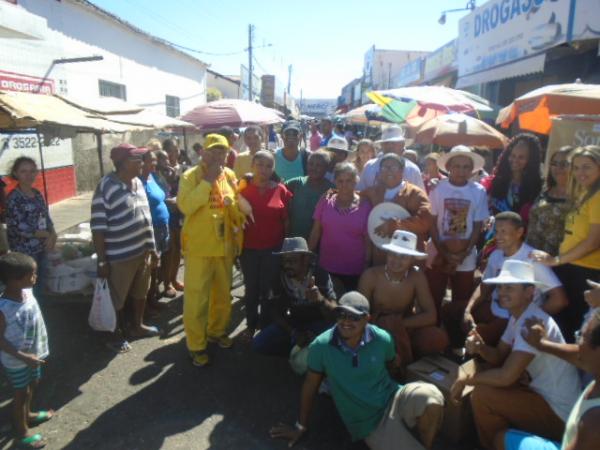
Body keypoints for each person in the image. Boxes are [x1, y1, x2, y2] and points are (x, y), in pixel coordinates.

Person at [269, 291, 445, 450]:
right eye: (341, 314)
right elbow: (310, 386)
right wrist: (300, 427)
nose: (346, 321)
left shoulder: (382, 338)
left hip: (393, 397)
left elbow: (392, 366)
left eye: (354, 317)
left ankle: (424, 444)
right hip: (369, 422)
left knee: (432, 397)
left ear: (367, 319)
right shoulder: (321, 346)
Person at [450, 260, 581, 450]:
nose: (502, 292)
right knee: (486, 379)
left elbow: (506, 376)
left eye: (509, 287)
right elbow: (499, 356)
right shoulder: (519, 316)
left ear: (530, 292)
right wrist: (480, 348)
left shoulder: (531, 320)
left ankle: (493, 444)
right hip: (544, 399)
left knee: (483, 395)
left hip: (559, 413)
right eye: (501, 286)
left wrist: (467, 380)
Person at [443, 212, 567, 349]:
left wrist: (525, 319)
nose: (498, 236)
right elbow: (484, 287)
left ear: (519, 232)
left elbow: (559, 300)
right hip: (494, 309)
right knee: (450, 311)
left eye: (503, 231)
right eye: (496, 231)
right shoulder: (496, 255)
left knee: (477, 336)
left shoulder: (533, 259)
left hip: (512, 319)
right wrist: (468, 309)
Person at [177, 134, 245, 367]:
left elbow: (236, 208)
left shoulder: (231, 176)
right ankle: (196, 345)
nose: (218, 156)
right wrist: (206, 181)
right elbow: (185, 206)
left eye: (223, 151)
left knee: (222, 296)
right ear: (203, 153)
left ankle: (216, 331)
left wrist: (235, 209)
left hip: (224, 247)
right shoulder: (190, 176)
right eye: (214, 151)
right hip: (199, 249)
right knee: (197, 300)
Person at [91, 144, 160, 353]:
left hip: (142, 252)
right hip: (119, 256)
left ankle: (137, 326)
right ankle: (114, 335)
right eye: (137, 160)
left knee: (141, 292)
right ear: (122, 164)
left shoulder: (138, 182)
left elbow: (146, 217)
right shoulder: (106, 187)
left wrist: (152, 247)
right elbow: (98, 227)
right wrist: (102, 260)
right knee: (116, 298)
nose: (142, 163)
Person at [501, 308, 600, 450]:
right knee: (502, 438)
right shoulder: (595, 371)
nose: (578, 344)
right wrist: (542, 344)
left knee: (500, 436)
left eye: (582, 337)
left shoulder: (594, 422)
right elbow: (577, 357)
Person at [531, 145, 600, 343]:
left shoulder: (598, 195)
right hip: (573, 268)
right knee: (564, 327)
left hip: (586, 273)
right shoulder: (585, 193)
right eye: (576, 167)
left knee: (574, 331)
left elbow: (594, 241)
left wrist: (557, 260)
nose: (580, 172)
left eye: (586, 167)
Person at [359, 230, 449, 367]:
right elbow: (359, 315)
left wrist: (398, 324)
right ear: (387, 255)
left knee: (437, 338)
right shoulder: (370, 276)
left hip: (405, 326)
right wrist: (384, 327)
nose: (396, 260)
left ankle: (413, 364)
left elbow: (431, 316)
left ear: (412, 260)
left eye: (403, 257)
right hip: (375, 328)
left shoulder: (416, 277)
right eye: (393, 254)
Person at [426, 146, 489, 319]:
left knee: (461, 299)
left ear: (472, 169)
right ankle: (434, 331)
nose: (461, 171)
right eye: (457, 166)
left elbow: (477, 226)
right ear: (449, 167)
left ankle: (455, 336)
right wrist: (444, 252)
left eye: (466, 167)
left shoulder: (478, 191)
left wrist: (464, 252)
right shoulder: (438, 189)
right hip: (438, 249)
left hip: (465, 253)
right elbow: (431, 223)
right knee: (434, 296)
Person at [0, 253, 52, 450]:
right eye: (31, 275)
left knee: (33, 384)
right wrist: (23, 356)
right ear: (14, 280)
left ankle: (28, 414)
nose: (35, 278)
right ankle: (21, 432)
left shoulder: (27, 293)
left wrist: (33, 354)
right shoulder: (3, 308)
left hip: (34, 355)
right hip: (17, 360)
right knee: (20, 394)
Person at [252, 237, 337, 356]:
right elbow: (274, 310)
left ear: (306, 259)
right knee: (258, 344)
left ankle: (310, 349)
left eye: (292, 261)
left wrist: (320, 300)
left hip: (319, 323)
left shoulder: (319, 274)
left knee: (336, 336)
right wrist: (293, 332)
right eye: (284, 260)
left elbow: (335, 313)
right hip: (294, 323)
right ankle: (301, 348)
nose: (287, 265)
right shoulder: (278, 276)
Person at [239, 151, 292, 337]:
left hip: (274, 249)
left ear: (273, 169)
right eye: (260, 164)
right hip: (248, 249)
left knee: (269, 288)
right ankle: (251, 325)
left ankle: (266, 326)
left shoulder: (281, 190)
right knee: (251, 288)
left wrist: (286, 247)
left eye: (268, 166)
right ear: (252, 165)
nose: (264, 169)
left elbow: (286, 221)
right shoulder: (241, 190)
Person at [309, 162, 371, 293]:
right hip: (327, 267)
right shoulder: (325, 201)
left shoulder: (365, 206)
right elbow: (315, 232)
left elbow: (368, 240)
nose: (344, 185)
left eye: (349, 180)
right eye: (340, 181)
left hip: (354, 270)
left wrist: (367, 265)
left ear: (356, 181)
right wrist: (307, 259)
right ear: (335, 181)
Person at [361, 153, 432, 266]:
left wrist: (395, 225)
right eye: (384, 167)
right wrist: (333, 194)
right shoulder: (373, 191)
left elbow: (425, 222)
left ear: (402, 171)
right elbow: (353, 198)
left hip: (406, 257)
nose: (389, 171)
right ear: (380, 171)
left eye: (393, 167)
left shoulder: (415, 193)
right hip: (380, 253)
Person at [6, 157, 57, 297]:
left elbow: (46, 218)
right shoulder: (13, 198)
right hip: (25, 254)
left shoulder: (37, 194)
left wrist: (53, 234)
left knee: (40, 287)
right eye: (23, 171)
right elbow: (18, 228)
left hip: (42, 250)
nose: (28, 175)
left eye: (32, 171)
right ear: (16, 173)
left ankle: (39, 316)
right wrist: (46, 235)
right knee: (27, 291)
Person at [481, 133, 543, 223]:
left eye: (521, 157)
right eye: (513, 155)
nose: (515, 160)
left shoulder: (537, 188)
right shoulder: (494, 181)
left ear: (530, 160)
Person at [526, 146, 573, 256]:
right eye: (554, 163)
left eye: (563, 164)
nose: (557, 168)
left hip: (561, 260)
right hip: (532, 254)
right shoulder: (545, 189)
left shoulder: (580, 196)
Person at [140, 149, 170, 314]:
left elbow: (162, 194)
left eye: (154, 160)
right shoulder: (138, 181)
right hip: (151, 229)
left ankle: (153, 297)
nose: (154, 163)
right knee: (149, 267)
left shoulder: (152, 177)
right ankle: (146, 303)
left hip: (162, 226)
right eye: (151, 160)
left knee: (156, 266)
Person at [356, 125, 425, 191]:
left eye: (394, 143)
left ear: (402, 145)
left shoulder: (412, 170)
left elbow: (421, 198)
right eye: (386, 143)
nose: (390, 146)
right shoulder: (369, 166)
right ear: (381, 145)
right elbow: (360, 192)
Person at [286, 151, 334, 240]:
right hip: (294, 239)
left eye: (319, 165)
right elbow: (276, 188)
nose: (313, 168)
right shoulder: (296, 183)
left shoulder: (332, 190)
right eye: (310, 164)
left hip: (319, 241)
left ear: (327, 168)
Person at [161, 139, 185, 298]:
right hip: (165, 212)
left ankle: (174, 279)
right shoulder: (159, 170)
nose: (173, 154)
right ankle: (166, 282)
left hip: (180, 211)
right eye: (170, 151)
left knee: (178, 247)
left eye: (176, 150)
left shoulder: (183, 168)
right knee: (168, 249)